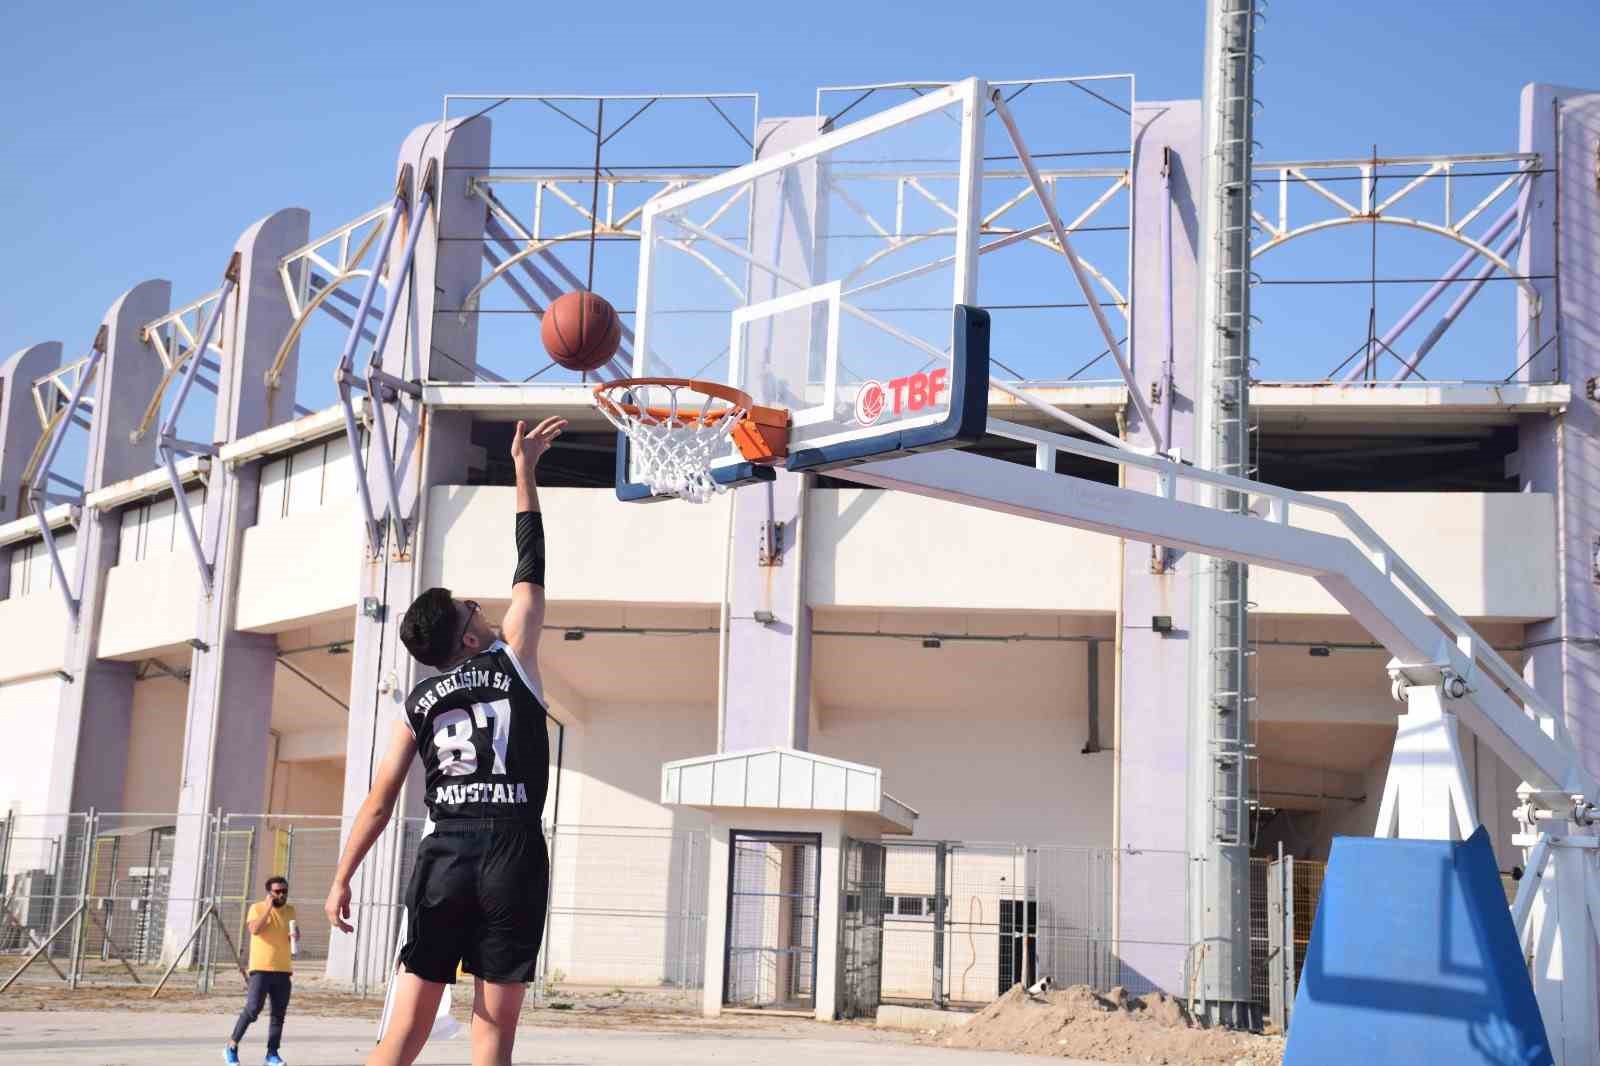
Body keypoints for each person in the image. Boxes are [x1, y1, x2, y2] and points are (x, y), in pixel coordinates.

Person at [326, 416, 566, 1066]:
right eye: (468, 608)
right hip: (511, 851)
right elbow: (531, 564)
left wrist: (342, 876)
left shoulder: (418, 703)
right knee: (492, 1038)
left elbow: (379, 801)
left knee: (402, 1036)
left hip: (446, 855)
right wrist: (524, 471)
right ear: (465, 638)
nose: (478, 606)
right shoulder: (514, 657)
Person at [226, 875, 299, 1065]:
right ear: (269, 893)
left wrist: (295, 936)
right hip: (261, 969)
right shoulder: (257, 908)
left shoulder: (291, 911)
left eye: (284, 891)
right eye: (277, 891)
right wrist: (268, 907)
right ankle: (231, 1046)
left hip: (283, 970)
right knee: (252, 1009)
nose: (281, 895)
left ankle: (272, 1054)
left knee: (278, 1014)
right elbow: (255, 929)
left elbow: (290, 938)